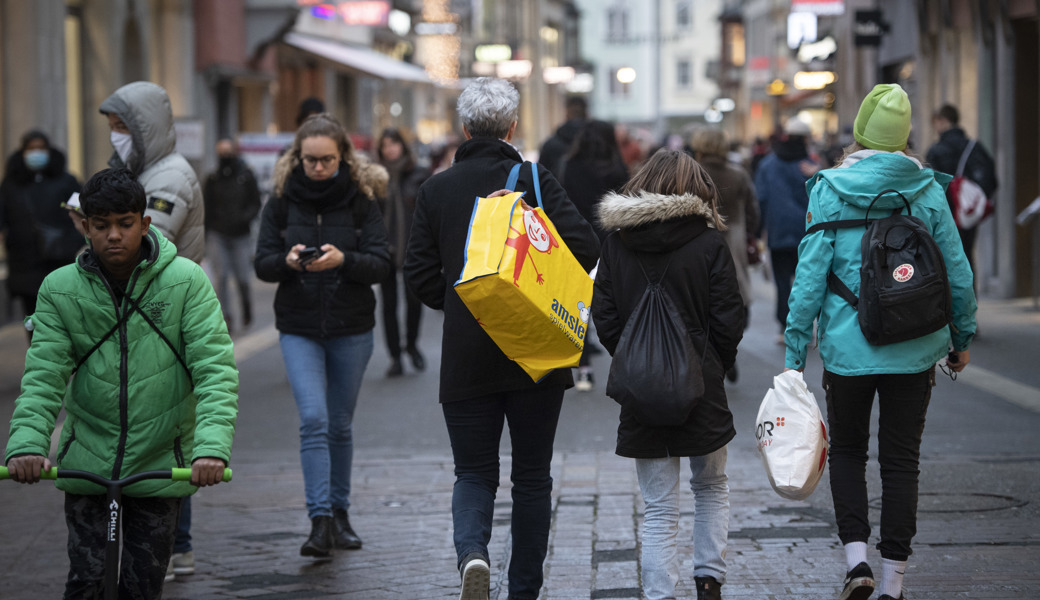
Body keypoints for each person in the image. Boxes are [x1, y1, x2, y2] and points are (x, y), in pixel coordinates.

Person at [403, 77, 600, 600]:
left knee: (472, 471)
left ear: (463, 128)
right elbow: (585, 246)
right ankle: (524, 591)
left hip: (467, 355)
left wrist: (470, 306)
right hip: (536, 350)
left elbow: (420, 276)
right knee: (533, 478)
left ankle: (472, 554)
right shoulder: (533, 180)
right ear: (513, 127)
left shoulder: (435, 190)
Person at [4, 167, 238, 599]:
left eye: (125, 224)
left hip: (160, 461)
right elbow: (43, 377)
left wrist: (210, 448)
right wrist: (27, 444)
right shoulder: (59, 289)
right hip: (88, 461)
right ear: (85, 228)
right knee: (86, 583)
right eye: (101, 225)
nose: (114, 235)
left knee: (142, 586)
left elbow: (215, 370)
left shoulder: (186, 282)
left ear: (144, 223)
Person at [783, 84, 977, 600]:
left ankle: (857, 564)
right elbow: (955, 271)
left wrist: (794, 352)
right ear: (905, 137)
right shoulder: (927, 190)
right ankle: (894, 583)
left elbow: (809, 279)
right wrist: (960, 336)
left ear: (861, 133)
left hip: (847, 352)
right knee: (901, 461)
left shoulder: (829, 187)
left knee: (846, 451)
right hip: (915, 347)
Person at [591, 150, 744, 600]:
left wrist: (637, 360)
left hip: (642, 391)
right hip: (703, 385)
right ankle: (709, 582)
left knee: (658, 507)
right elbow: (729, 315)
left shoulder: (616, 243)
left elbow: (605, 314)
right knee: (711, 485)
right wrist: (712, 363)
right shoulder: (709, 242)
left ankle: (660, 594)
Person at [254, 113, 391, 558]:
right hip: (298, 326)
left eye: (327, 160)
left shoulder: (362, 199)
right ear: (298, 157)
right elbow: (263, 261)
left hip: (352, 326)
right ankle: (319, 520)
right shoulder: (280, 200)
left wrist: (343, 260)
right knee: (313, 419)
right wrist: (288, 262)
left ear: (342, 156)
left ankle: (341, 511)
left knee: (339, 424)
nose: (318, 168)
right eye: (310, 160)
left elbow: (382, 262)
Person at [558, 119, 629, 391]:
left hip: (577, 241)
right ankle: (625, 364)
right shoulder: (617, 167)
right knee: (617, 304)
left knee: (580, 308)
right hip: (613, 242)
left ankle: (584, 370)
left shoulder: (569, 165)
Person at [100, 81, 205, 264]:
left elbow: (145, 248)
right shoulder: (143, 171)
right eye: (112, 128)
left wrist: (97, 230)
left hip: (166, 290)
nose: (115, 136)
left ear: (147, 129)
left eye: (122, 127)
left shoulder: (171, 177)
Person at [689, 128, 759, 382]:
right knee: (735, 294)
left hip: (697, 241)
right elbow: (753, 210)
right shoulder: (738, 174)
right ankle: (728, 348)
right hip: (734, 240)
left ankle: (713, 352)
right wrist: (751, 233)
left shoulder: (690, 174)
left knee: (702, 296)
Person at [0, 130, 82, 328]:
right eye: (31, 149)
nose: (36, 153)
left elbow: (82, 211)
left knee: (62, 316)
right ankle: (39, 355)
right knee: (34, 319)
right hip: (25, 264)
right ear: (23, 152)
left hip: (59, 260)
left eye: (40, 148)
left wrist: (72, 241)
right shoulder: (11, 185)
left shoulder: (66, 181)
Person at [754, 118, 820, 342]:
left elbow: (760, 199)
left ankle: (784, 326)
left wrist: (758, 231)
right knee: (807, 280)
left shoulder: (767, 164)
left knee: (782, 281)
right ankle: (804, 324)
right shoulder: (811, 165)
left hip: (778, 231)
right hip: (808, 231)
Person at [375, 127, 431, 377]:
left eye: (394, 144)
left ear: (402, 146)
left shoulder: (419, 175)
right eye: (385, 145)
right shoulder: (374, 177)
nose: (390, 149)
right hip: (384, 249)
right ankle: (395, 356)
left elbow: (427, 214)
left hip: (412, 249)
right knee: (388, 305)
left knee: (413, 301)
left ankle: (412, 345)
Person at [925, 103, 998, 281]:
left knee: (945, 259)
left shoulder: (936, 151)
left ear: (942, 121)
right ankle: (971, 300)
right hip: (966, 213)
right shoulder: (973, 146)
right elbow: (991, 180)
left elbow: (929, 186)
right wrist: (972, 202)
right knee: (967, 255)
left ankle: (951, 303)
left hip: (944, 213)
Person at [203, 138, 262, 332]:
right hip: (217, 234)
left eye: (228, 151)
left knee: (243, 278)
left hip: (240, 235)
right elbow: (206, 207)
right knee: (222, 277)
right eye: (221, 152)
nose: (225, 156)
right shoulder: (212, 178)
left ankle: (246, 307)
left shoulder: (246, 176)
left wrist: (245, 218)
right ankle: (225, 317)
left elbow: (256, 202)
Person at [538, 95, 588, 178]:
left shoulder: (550, 144)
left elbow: (540, 177)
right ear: (586, 113)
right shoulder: (598, 142)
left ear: (566, 113)